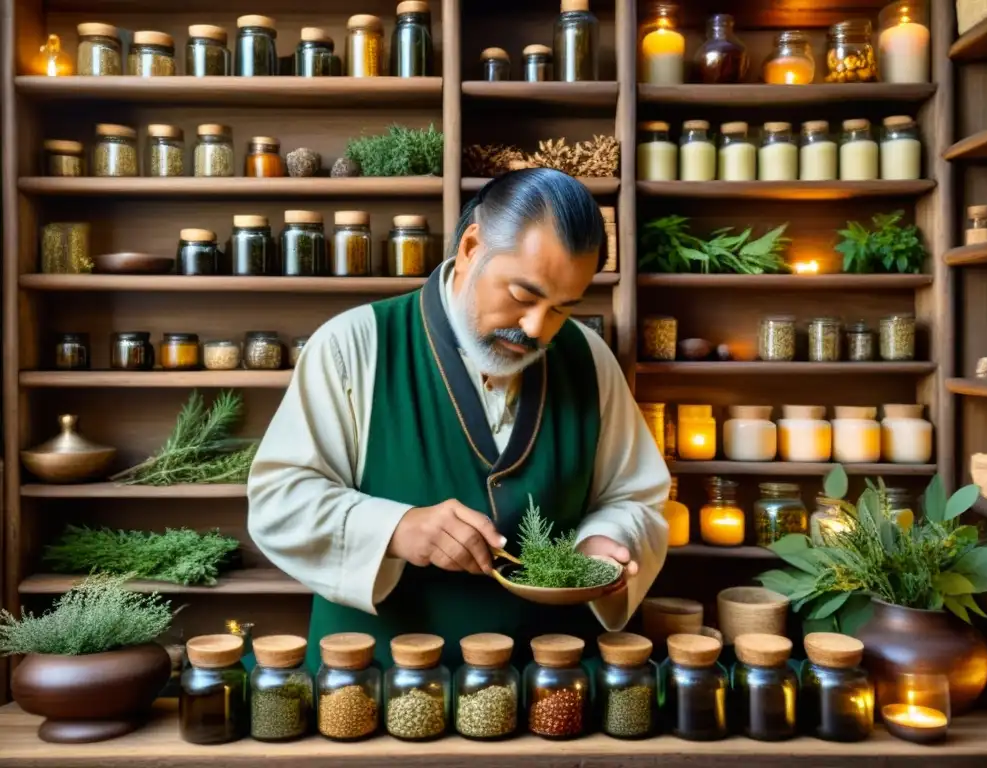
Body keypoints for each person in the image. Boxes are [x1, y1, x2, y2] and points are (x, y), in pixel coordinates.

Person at [248, 168, 670, 669]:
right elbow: (278, 502)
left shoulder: (589, 358)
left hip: (552, 689)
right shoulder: (352, 345)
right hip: (375, 687)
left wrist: (605, 538)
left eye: (561, 309)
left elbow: (634, 497)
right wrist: (395, 528)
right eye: (522, 296)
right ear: (471, 248)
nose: (537, 328)